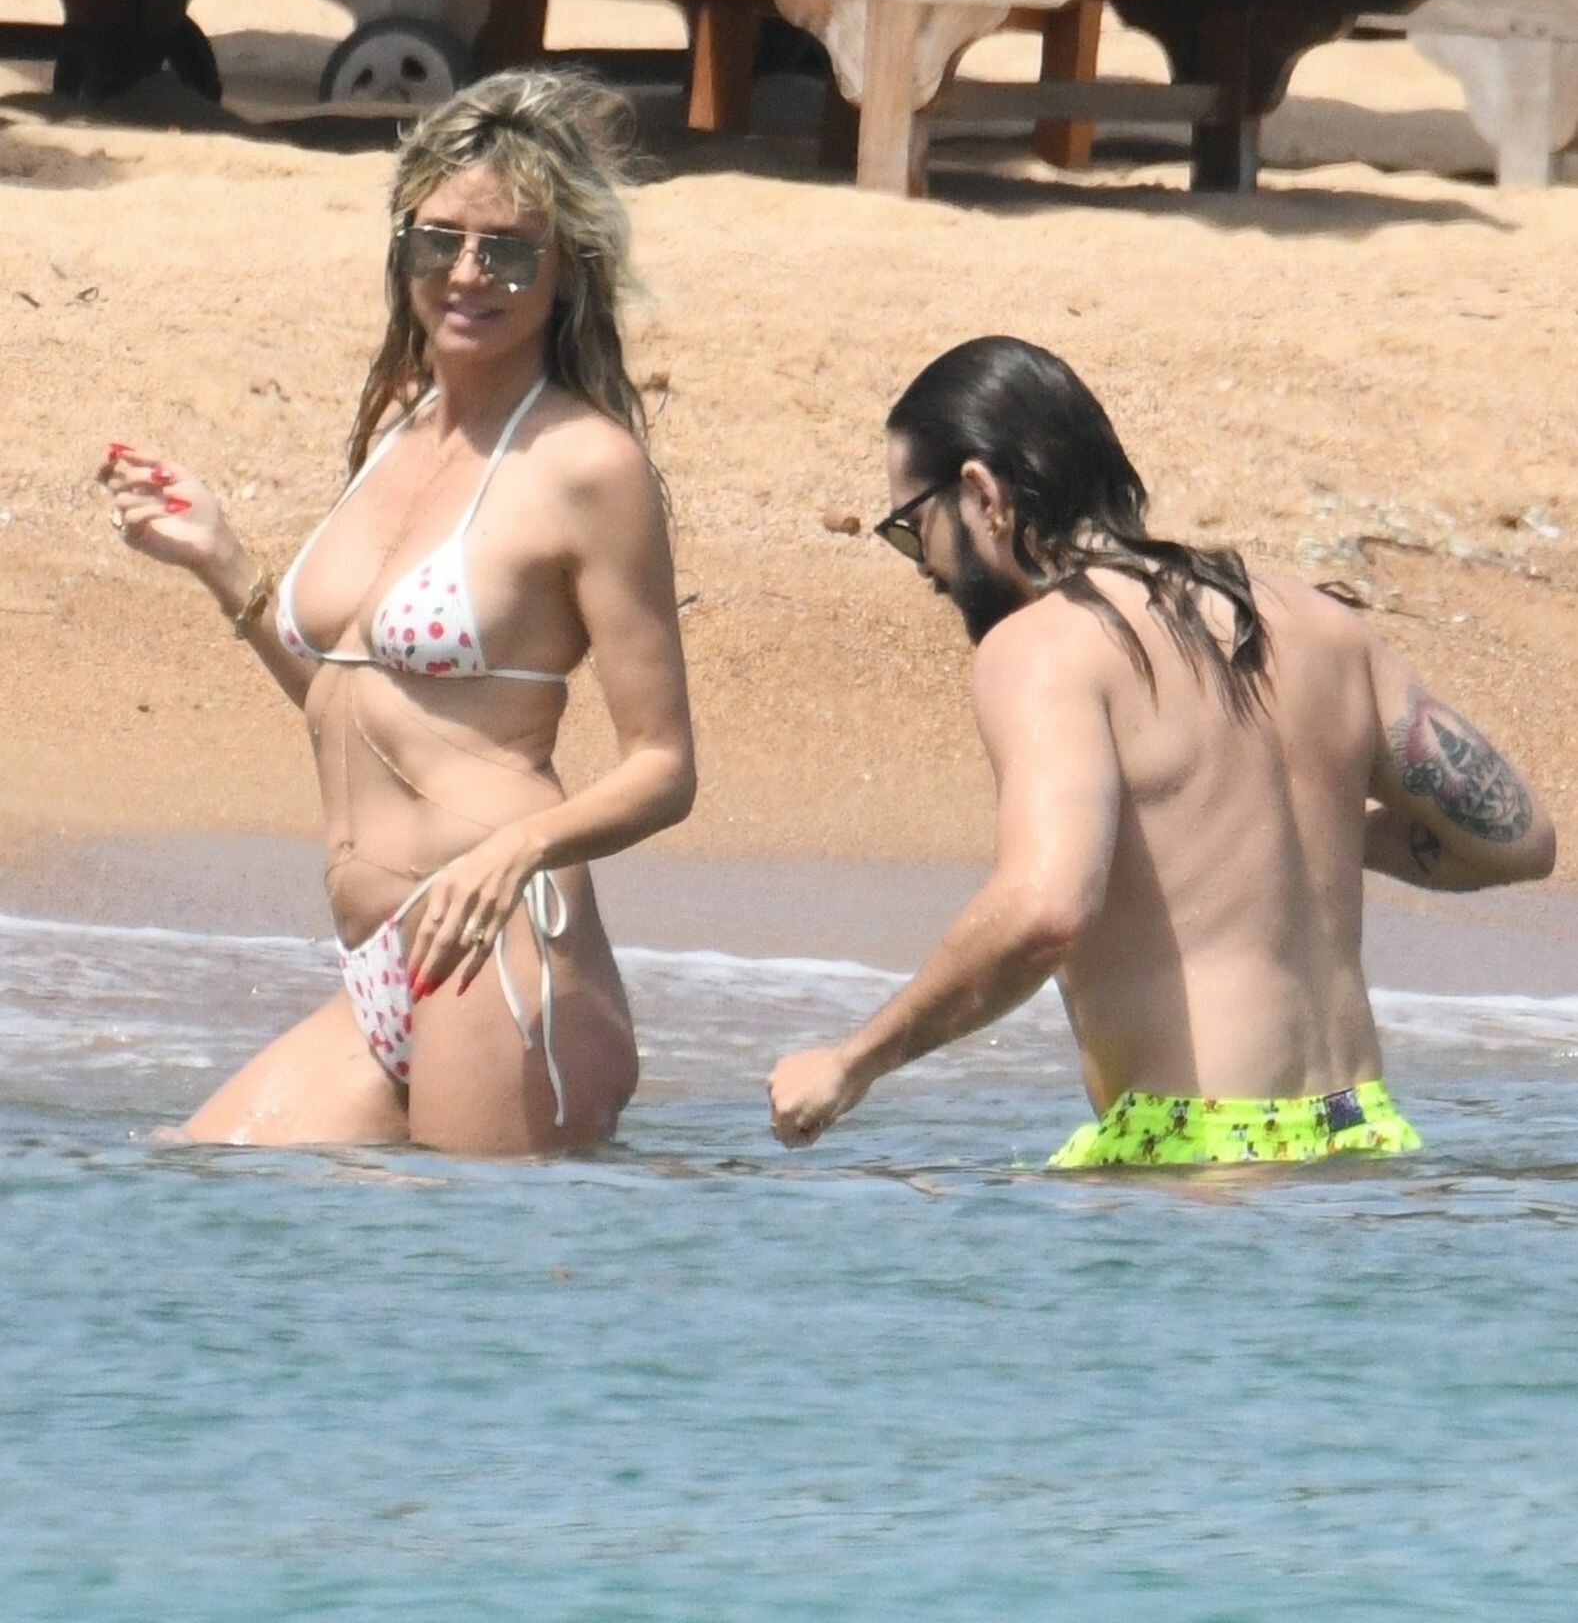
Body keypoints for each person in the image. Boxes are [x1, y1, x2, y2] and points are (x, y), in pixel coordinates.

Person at [768, 336, 1556, 1167]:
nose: (922, 565)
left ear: (982, 493)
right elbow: (1517, 839)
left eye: (910, 527)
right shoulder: (1324, 627)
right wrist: (1306, 836)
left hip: (1195, 1153)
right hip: (1364, 1134)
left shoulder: (1044, 647)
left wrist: (851, 1064)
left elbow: (1044, 909)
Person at [100, 69, 695, 1155]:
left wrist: (518, 850)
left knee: (462, 1257)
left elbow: (664, 767)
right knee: (188, 1172)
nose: (467, 273)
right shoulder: (397, 430)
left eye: (508, 251)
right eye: (439, 242)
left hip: (500, 949)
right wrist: (225, 564)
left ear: (565, 269)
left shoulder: (587, 465)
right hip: (382, 962)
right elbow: (353, 701)